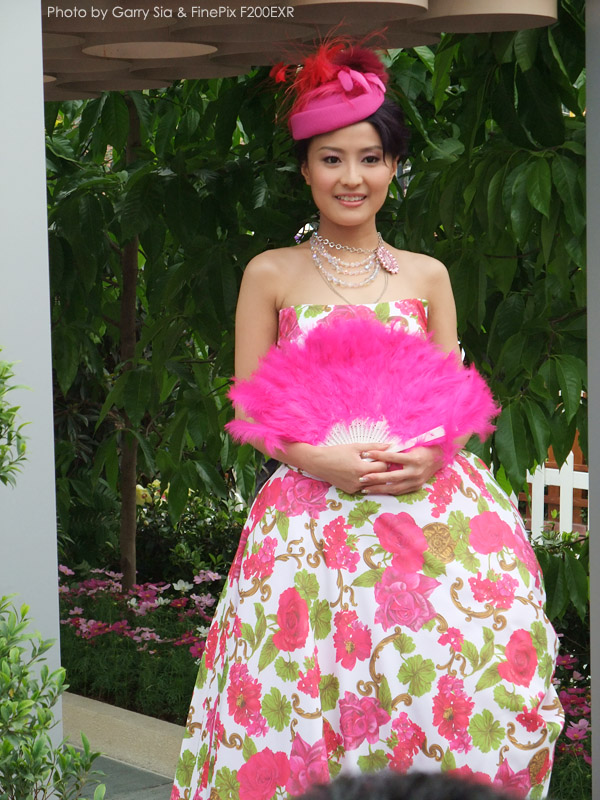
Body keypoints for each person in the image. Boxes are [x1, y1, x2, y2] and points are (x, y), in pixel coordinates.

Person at [172, 41, 562, 800]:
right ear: (305, 168)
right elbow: (250, 405)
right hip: (309, 525)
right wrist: (318, 460)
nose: (352, 177)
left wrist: (434, 456)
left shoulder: (427, 275)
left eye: (371, 158)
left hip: (428, 516)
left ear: (393, 166)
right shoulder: (270, 273)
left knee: (461, 674)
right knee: (303, 691)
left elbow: (452, 402)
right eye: (332, 159)